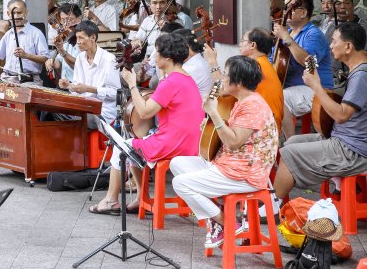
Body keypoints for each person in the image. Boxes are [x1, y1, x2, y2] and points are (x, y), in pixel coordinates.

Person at [170, 56, 279, 249]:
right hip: (230, 164)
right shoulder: (242, 101)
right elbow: (237, 134)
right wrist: (215, 123)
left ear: (239, 83)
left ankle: (224, 221)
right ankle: (215, 217)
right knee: (177, 163)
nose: (222, 80)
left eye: (226, 76)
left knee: (180, 183)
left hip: (244, 174)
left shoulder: (252, 105)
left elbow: (234, 141)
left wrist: (213, 114)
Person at [89, 33, 204, 215]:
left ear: (167, 57)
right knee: (133, 144)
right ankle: (141, 197)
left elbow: (144, 111)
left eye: (156, 52)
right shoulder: (186, 78)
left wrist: (132, 84)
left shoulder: (170, 82)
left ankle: (111, 200)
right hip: (189, 142)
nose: (153, 56)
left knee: (122, 147)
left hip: (173, 144)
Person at [274, 22, 367, 201]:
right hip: (345, 140)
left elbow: (341, 116)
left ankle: (271, 207)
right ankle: (279, 201)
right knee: (292, 142)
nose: (330, 45)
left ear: (348, 46)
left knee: (288, 153)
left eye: (333, 41)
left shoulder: (361, 76)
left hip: (352, 151)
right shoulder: (357, 71)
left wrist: (316, 86)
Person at [273, 0, 333, 139]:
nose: (286, 11)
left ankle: (290, 142)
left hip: (315, 88)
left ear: (303, 13)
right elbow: (273, 60)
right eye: (285, 8)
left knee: (279, 98)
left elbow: (309, 62)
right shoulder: (287, 33)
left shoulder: (313, 34)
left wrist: (287, 39)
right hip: (291, 86)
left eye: (291, 9)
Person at [205, 27, 284, 126]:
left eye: (243, 41)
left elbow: (222, 90)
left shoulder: (254, 66)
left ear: (252, 45)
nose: (240, 44)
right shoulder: (262, 63)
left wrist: (212, 62)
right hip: (268, 121)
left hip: (262, 125)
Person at [57, 20, 120, 130]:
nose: (78, 42)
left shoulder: (109, 60)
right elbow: (78, 87)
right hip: (83, 107)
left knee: (80, 119)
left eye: (81, 38)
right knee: (51, 111)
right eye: (77, 38)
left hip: (102, 111)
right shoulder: (81, 58)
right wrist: (68, 85)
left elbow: (116, 94)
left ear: (93, 38)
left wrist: (90, 89)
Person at [0, 0, 48, 83]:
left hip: (28, 80)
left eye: (19, 13)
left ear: (26, 12)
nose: (16, 16)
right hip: (7, 78)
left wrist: (27, 55)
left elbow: (45, 58)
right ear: (8, 14)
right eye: (13, 13)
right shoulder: (8, 34)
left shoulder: (36, 33)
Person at [323, 0, 367, 83]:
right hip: (332, 79)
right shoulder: (331, 27)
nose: (342, 7)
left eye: (347, 3)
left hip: (356, 77)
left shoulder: (363, 27)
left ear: (353, 5)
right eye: (338, 3)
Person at [45, 3, 82, 81]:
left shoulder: (82, 39)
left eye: (69, 19)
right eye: (63, 20)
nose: (65, 24)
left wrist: (62, 51)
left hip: (78, 85)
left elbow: (80, 64)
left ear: (79, 19)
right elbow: (59, 63)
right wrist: (52, 62)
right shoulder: (66, 39)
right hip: (65, 84)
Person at [174, 29, 213, 98]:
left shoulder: (190, 68)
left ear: (187, 46)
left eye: (174, 47)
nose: (171, 51)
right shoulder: (197, 60)